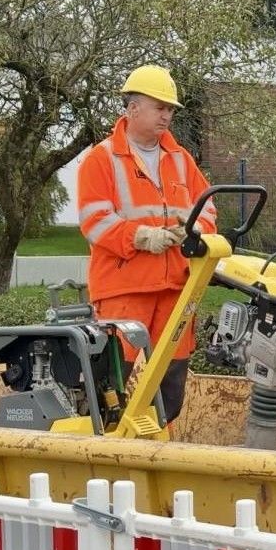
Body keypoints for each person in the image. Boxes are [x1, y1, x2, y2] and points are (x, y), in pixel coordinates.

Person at [77, 64, 216, 425]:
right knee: (109, 384)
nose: (166, 115)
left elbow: (208, 208)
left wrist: (194, 230)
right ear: (132, 107)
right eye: (160, 107)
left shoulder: (181, 160)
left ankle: (155, 445)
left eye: (170, 109)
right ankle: (104, 449)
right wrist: (141, 237)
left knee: (172, 382)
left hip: (175, 288)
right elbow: (94, 221)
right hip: (125, 287)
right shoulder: (101, 159)